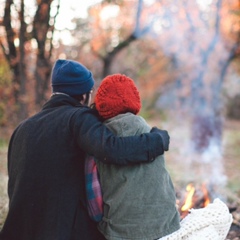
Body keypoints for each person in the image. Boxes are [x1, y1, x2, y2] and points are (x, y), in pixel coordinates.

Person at [0, 59, 171, 240]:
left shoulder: (22, 129)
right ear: (83, 96)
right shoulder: (77, 117)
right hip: (60, 231)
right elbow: (112, 149)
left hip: (19, 230)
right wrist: (158, 140)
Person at [91, 74, 181, 240]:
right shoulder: (148, 132)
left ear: (101, 105)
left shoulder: (100, 140)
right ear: (133, 101)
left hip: (120, 231)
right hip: (166, 225)